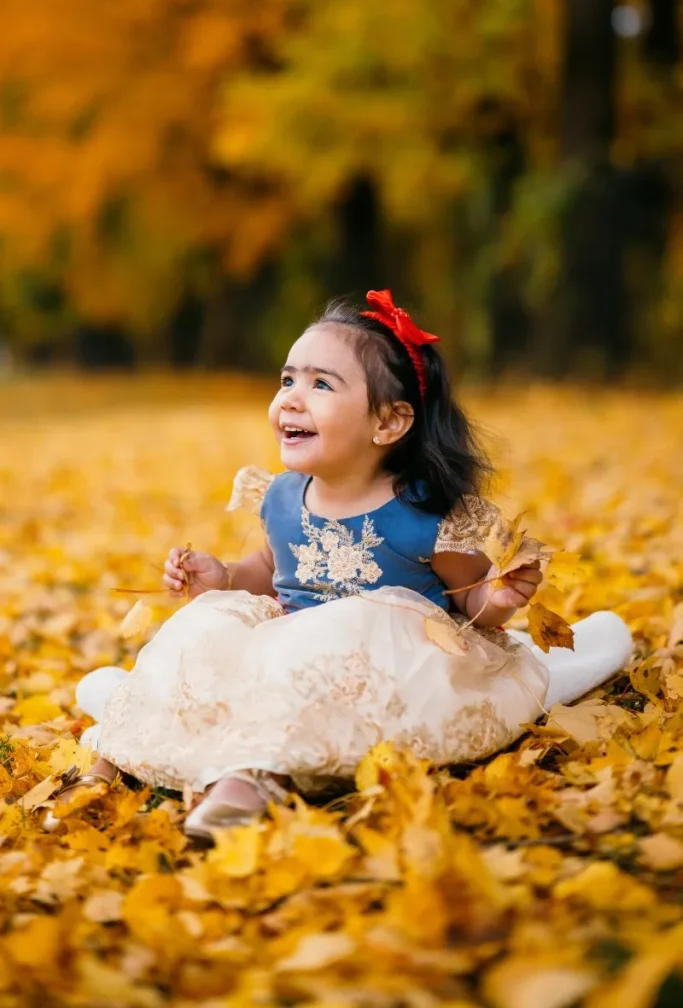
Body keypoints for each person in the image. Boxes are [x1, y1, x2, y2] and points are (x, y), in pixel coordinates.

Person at [45, 290, 633, 843]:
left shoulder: (423, 515)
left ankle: (252, 780)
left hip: (385, 669)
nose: (291, 398)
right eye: (287, 379)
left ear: (388, 423)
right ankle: (112, 760)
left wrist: (499, 601)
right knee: (205, 629)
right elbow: (269, 568)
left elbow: (469, 604)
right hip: (285, 653)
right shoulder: (280, 497)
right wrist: (221, 577)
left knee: (340, 642)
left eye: (321, 383)